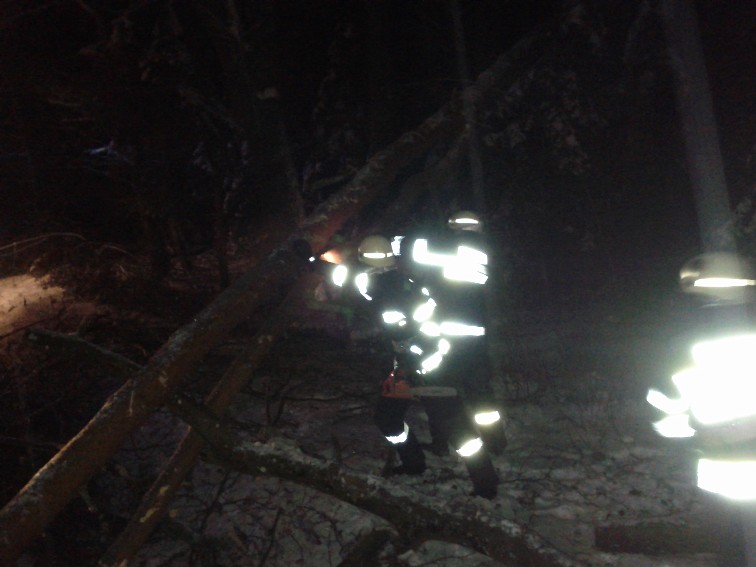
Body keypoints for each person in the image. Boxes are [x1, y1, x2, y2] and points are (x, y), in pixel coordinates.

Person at [329, 233, 499, 498]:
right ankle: (413, 464)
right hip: (411, 367)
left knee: (454, 427)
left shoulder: (388, 291)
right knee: (388, 418)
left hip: (431, 368)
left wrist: (412, 364)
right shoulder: (393, 283)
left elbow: (407, 334)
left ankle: (486, 484)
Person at [400, 210, 508, 454]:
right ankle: (496, 443)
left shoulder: (453, 251)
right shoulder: (481, 252)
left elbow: (418, 254)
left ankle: (443, 443)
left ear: (453, 228)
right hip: (475, 337)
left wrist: (417, 233)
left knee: (439, 391)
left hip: (447, 339)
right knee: (480, 394)